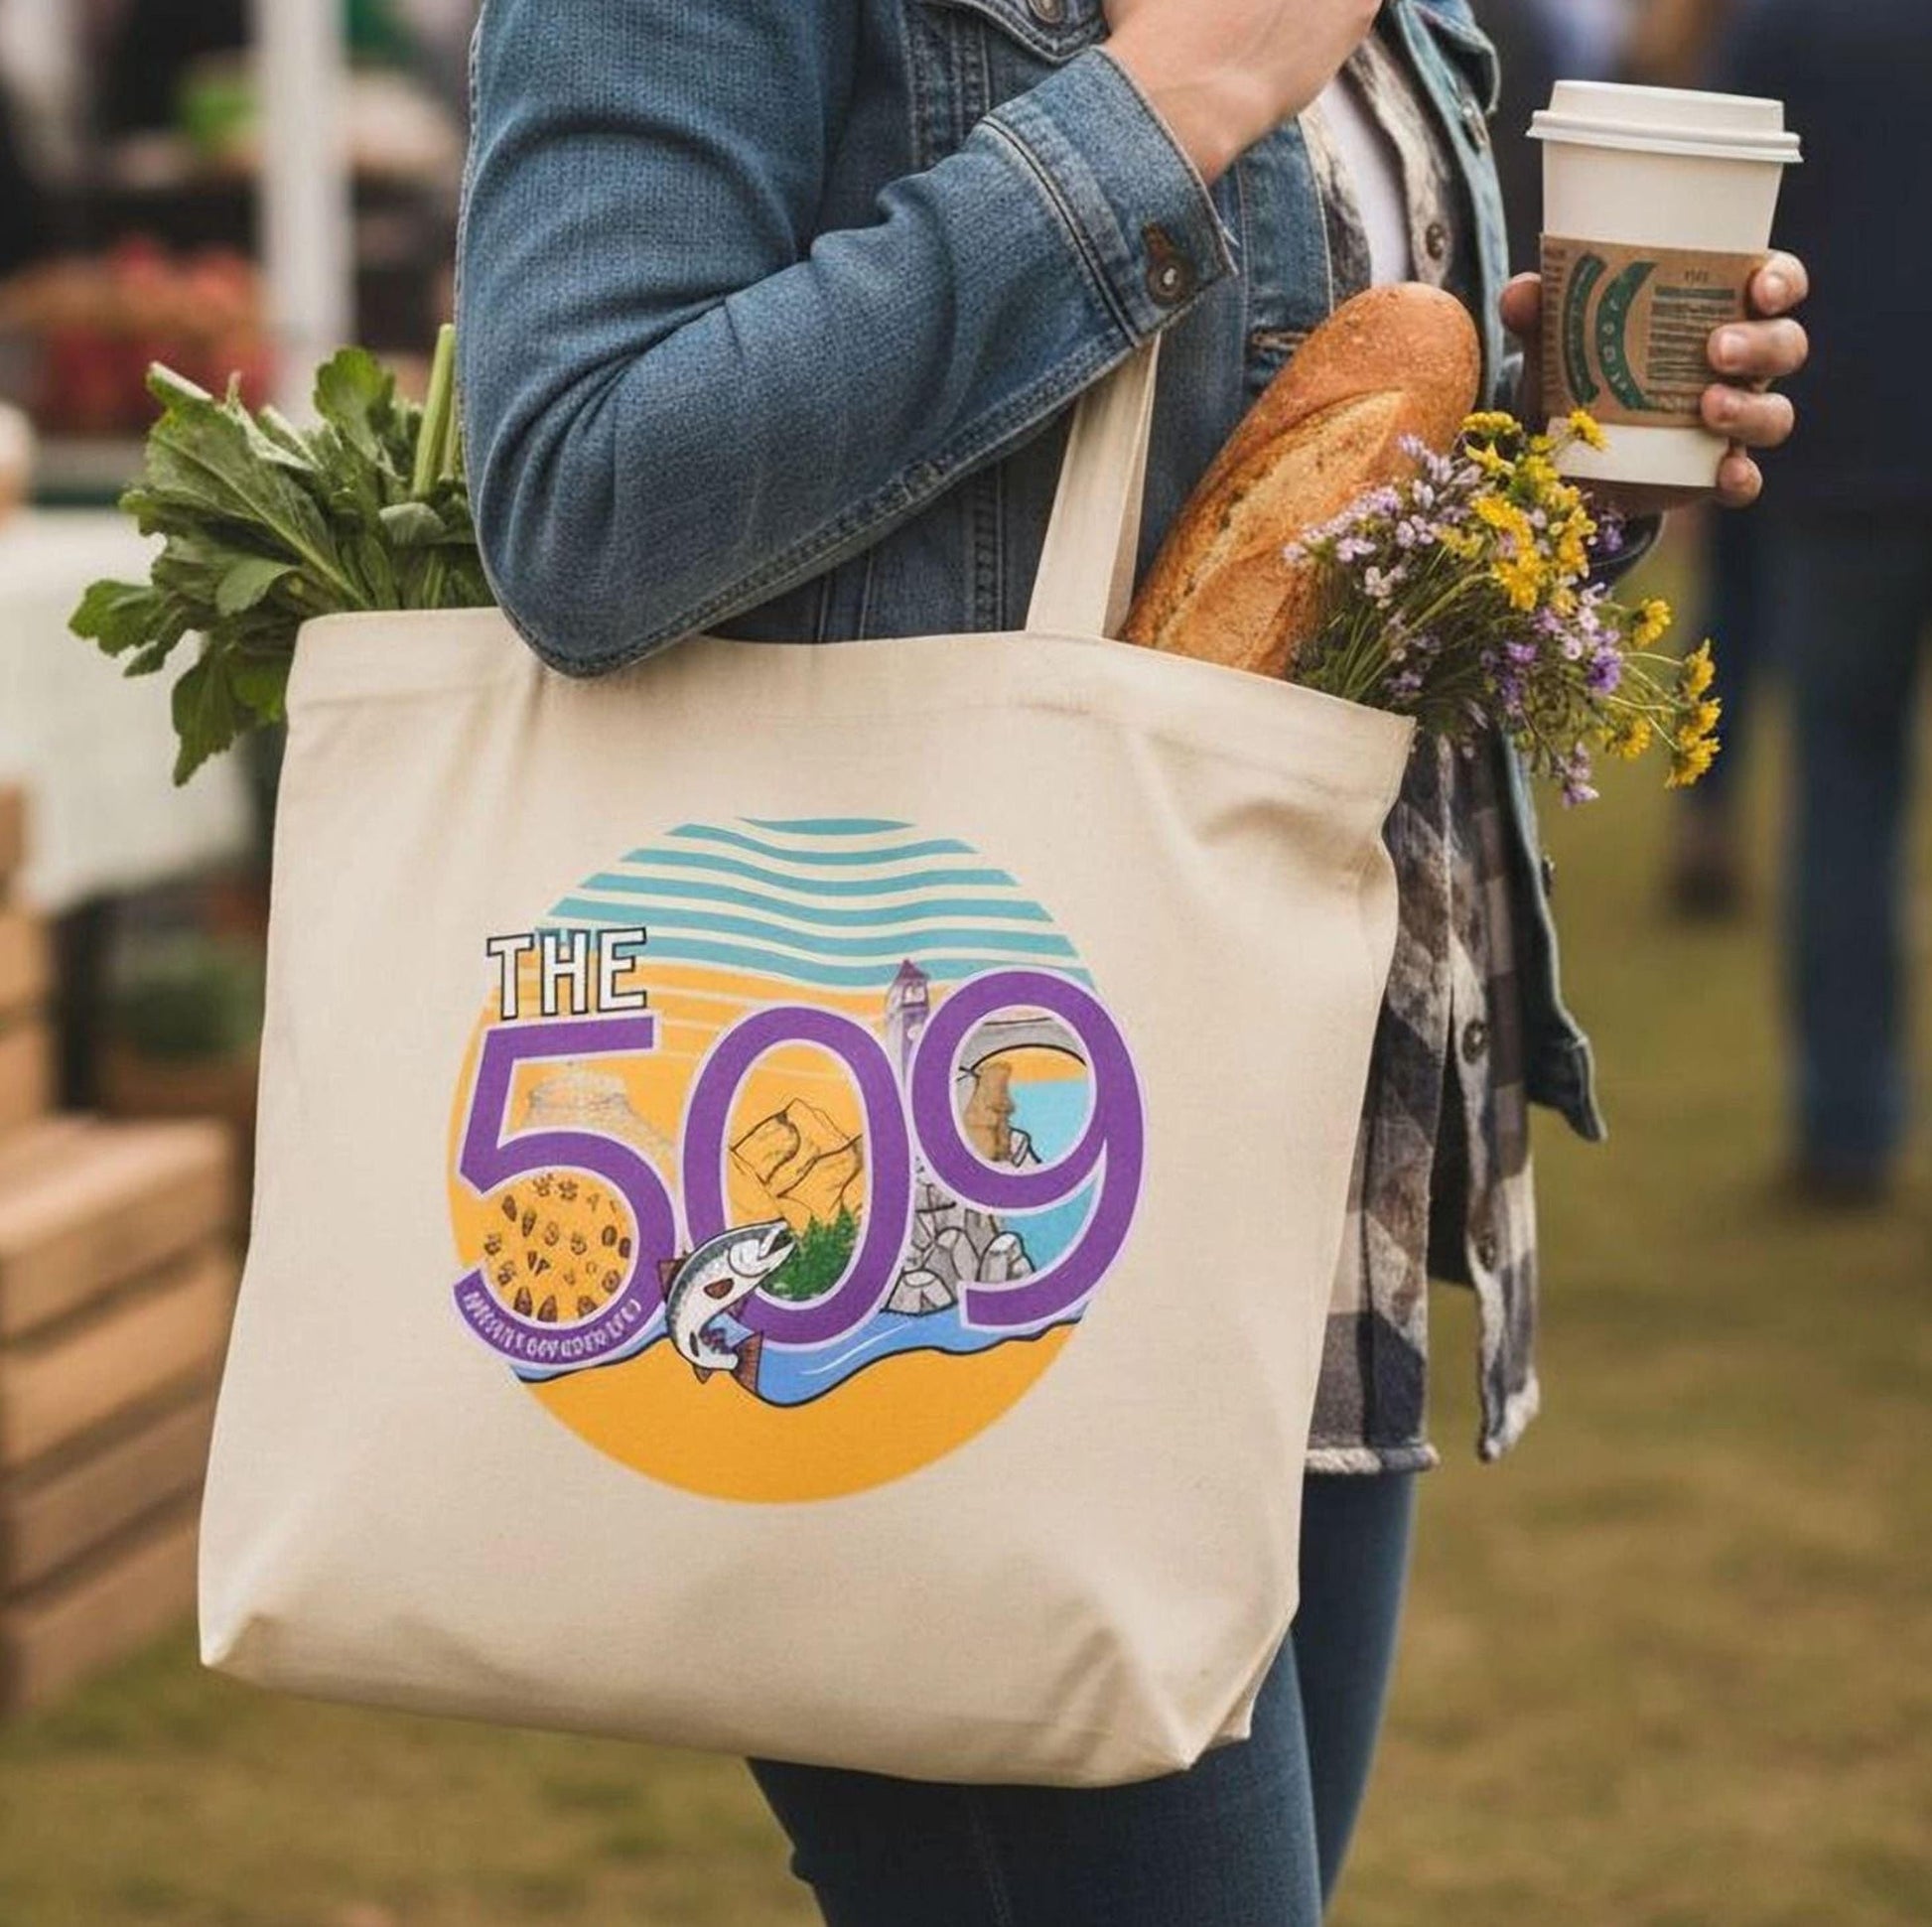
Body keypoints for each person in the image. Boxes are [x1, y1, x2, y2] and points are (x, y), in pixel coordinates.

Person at [456, 3, 1808, 1919]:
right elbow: (584, 495)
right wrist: (1168, 109)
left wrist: (1542, 496)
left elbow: (1249, 538)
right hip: (939, 1182)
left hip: (1294, 1148)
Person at [1716, 0, 1929, 1202]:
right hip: (1843, 465)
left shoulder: (1783, 24)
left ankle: (1844, 1123)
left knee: (1841, 790)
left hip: (1842, 454)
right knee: (1844, 783)